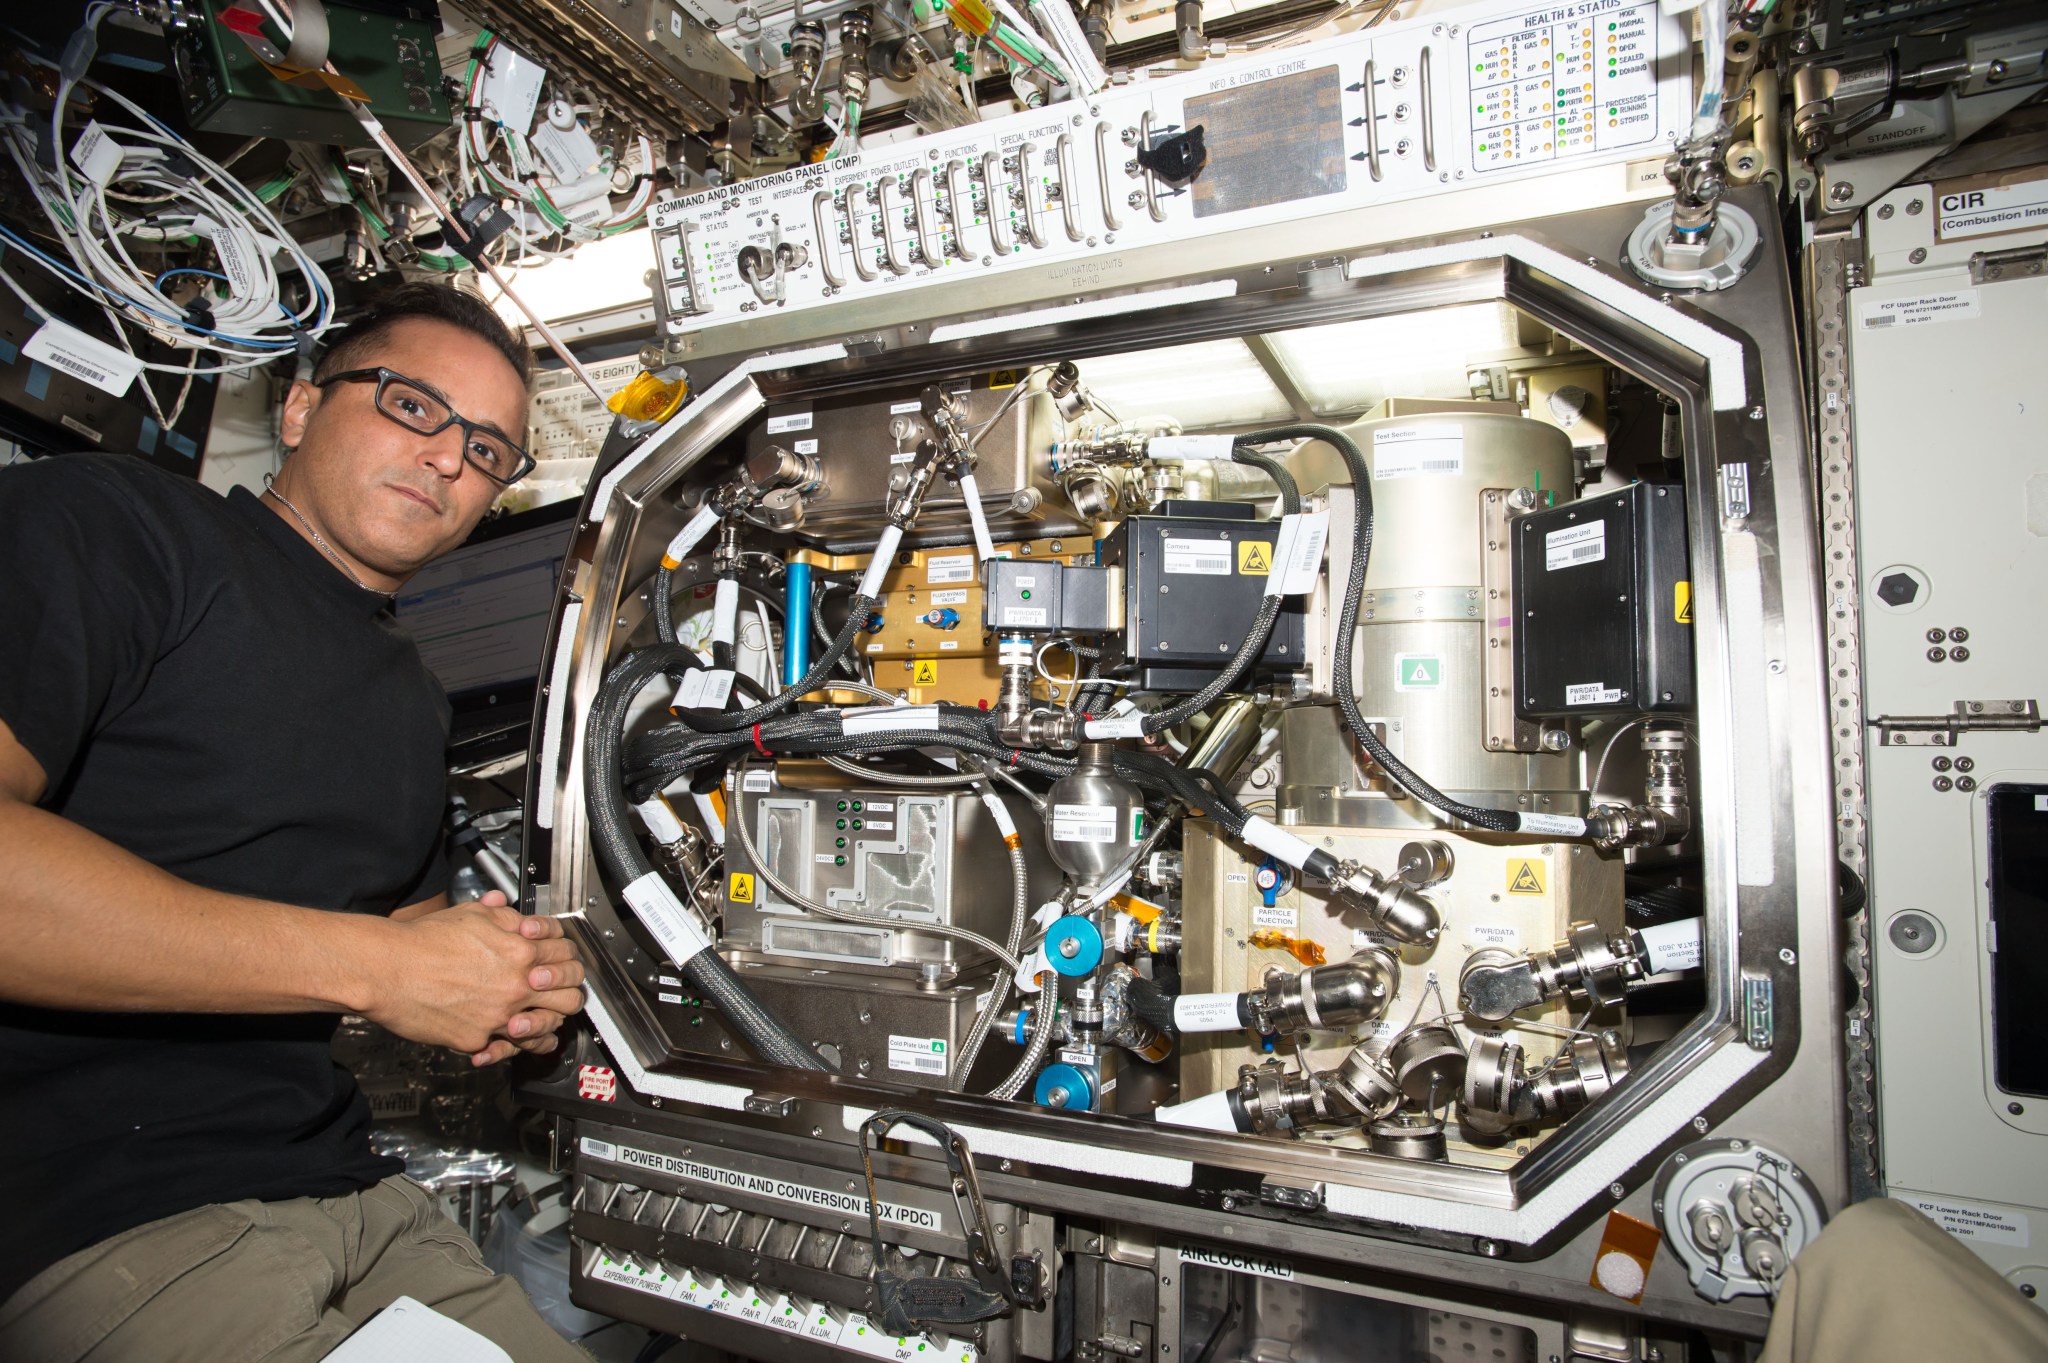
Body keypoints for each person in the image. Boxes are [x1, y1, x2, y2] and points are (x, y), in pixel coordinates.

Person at [0, 284, 591, 1362]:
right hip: (99, 1211)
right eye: (413, 407)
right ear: (299, 406)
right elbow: (371, 963)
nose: (449, 458)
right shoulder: (113, 526)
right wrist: (375, 966)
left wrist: (501, 993)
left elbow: (405, 958)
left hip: (353, 1197)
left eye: (489, 450)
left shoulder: (412, 701)